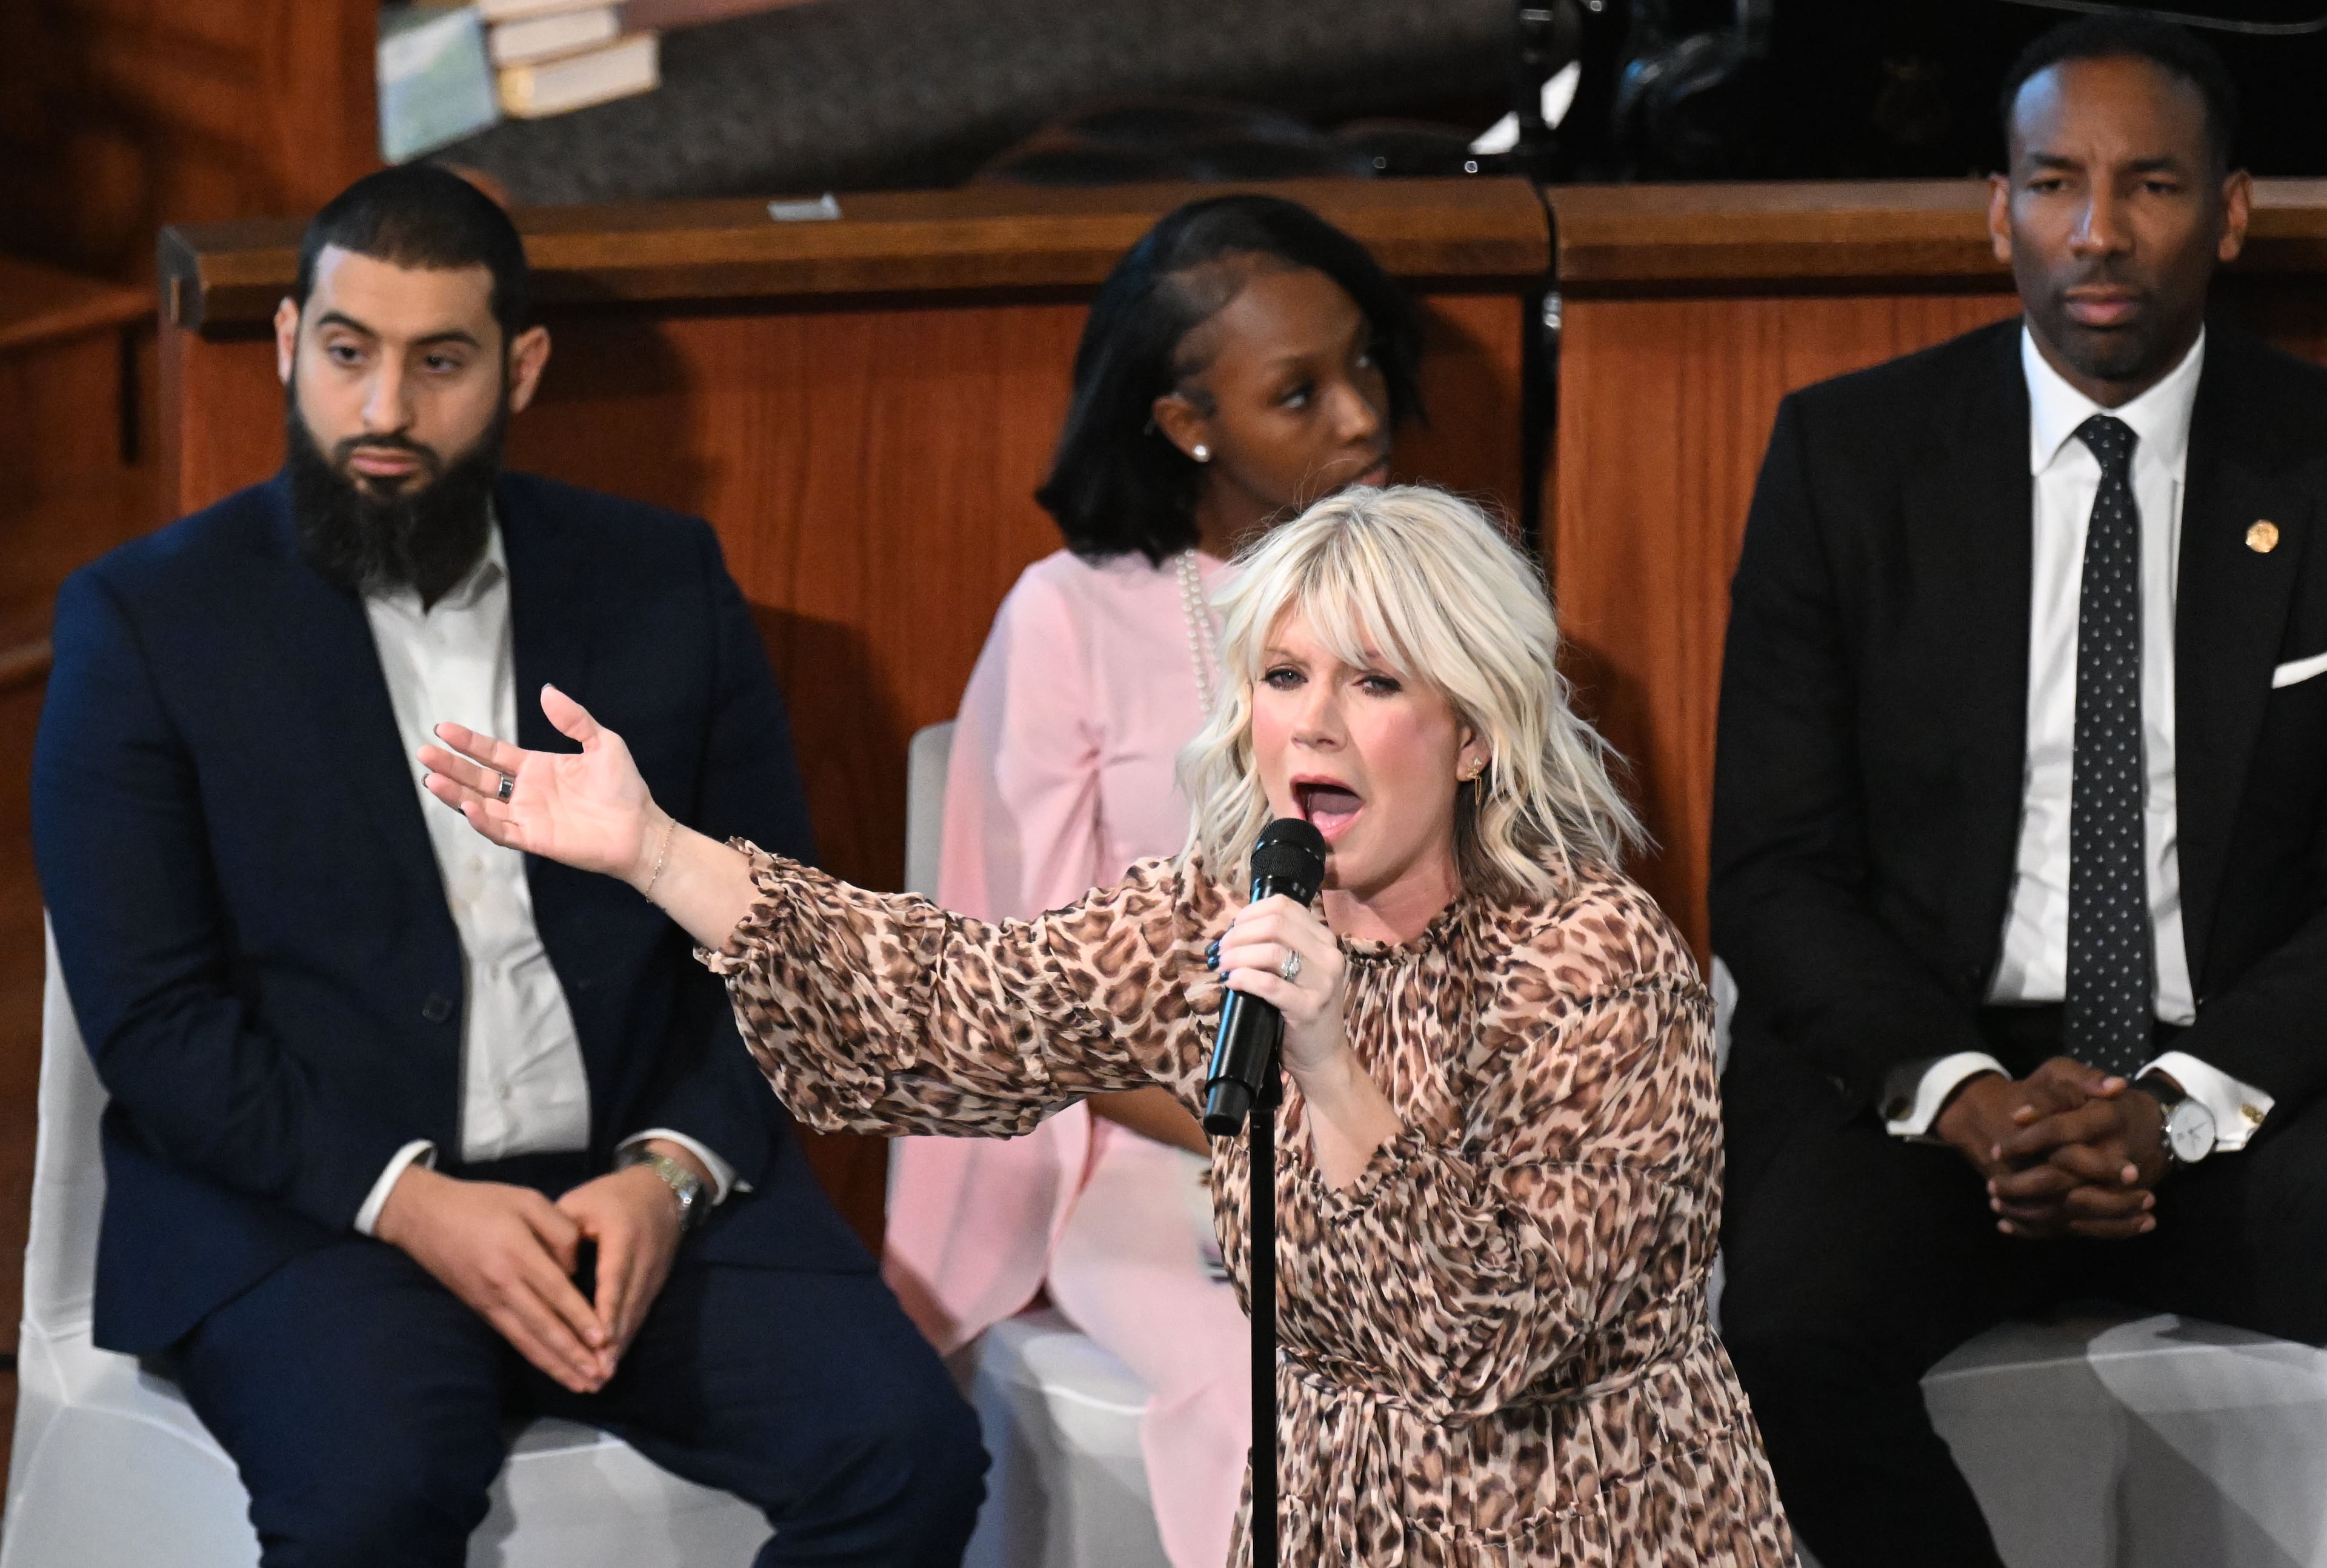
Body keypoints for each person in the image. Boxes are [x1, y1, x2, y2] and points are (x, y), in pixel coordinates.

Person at [419, 483, 1798, 1566]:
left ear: (1476, 730)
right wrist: (660, 854)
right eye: (1282, 676)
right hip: (1335, 1518)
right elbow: (961, 1007)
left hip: (1588, 1519)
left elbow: (1482, 1341)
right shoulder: (1232, 905)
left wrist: (1332, 1065)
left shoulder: (1596, 959)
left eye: (1374, 684)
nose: (1311, 725)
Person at [31, 164, 983, 1567]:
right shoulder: (146, 621)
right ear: (290, 343)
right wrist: (410, 1200)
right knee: (371, 1496)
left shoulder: (663, 584)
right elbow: (155, 1022)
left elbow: (780, 931)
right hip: (320, 1211)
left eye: (441, 363)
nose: (385, 412)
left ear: (521, 369)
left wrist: (670, 1171)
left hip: (633, 1190)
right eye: (349, 354)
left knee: (907, 1455)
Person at [1710, 18, 2327, 1568]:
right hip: (1938, 1082)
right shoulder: (1849, 460)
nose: (2100, 231)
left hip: (2245, 1080)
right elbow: (1776, 871)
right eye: (2057, 182)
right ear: (1999, 209)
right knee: (1784, 1327)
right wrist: (1973, 1101)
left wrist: (2175, 1108)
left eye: (2152, 185)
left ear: (2233, 212)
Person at [886, 192, 1417, 1568]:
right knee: (1276, 1392)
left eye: (1366, 366)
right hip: (1150, 1148)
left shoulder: (1446, 601)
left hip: (1416, 1121)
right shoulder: (1067, 616)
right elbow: (1030, 993)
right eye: (1300, 394)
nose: (1364, 418)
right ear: (1188, 423)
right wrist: (1256, 1120)